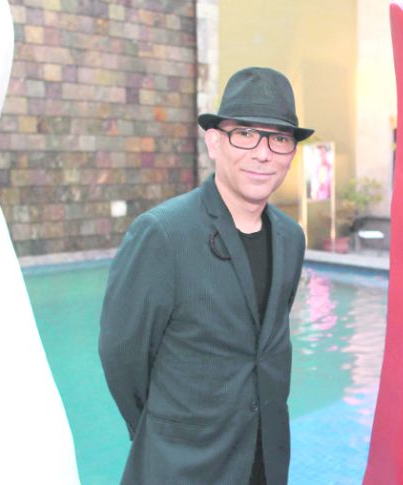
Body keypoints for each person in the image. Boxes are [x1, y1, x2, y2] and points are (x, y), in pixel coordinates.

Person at [99, 66, 314, 485]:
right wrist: (166, 434)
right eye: (245, 134)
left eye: (279, 138)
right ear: (214, 142)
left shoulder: (291, 237)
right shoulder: (163, 233)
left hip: (264, 460)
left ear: (291, 151)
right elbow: (122, 356)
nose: (263, 153)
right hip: (183, 465)